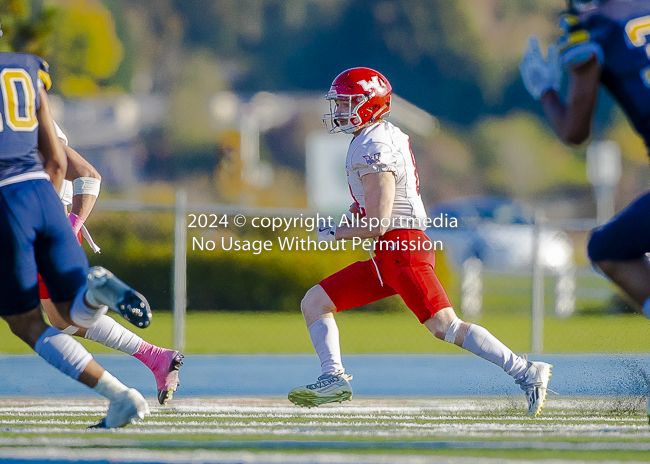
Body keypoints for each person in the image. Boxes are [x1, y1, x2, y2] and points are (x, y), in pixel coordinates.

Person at [287, 67, 553, 417]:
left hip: (401, 250)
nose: (339, 111)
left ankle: (525, 370)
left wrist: (335, 231)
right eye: (338, 103)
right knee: (315, 302)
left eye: (348, 102)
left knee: (446, 326)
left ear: (370, 104)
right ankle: (333, 377)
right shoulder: (379, 135)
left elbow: (380, 222)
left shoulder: (373, 144)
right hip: (390, 254)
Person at [0, 45, 152, 428]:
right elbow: (58, 161)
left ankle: (120, 395)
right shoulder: (26, 69)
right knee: (70, 311)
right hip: (42, 192)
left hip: (7, 202)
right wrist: (48, 214)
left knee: (27, 323)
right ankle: (99, 292)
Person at [38, 123, 184, 406]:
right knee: (61, 320)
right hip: (29, 228)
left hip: (46, 231)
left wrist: (70, 228)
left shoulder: (25, 125)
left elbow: (89, 176)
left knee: (45, 321)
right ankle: (154, 357)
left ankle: (95, 297)